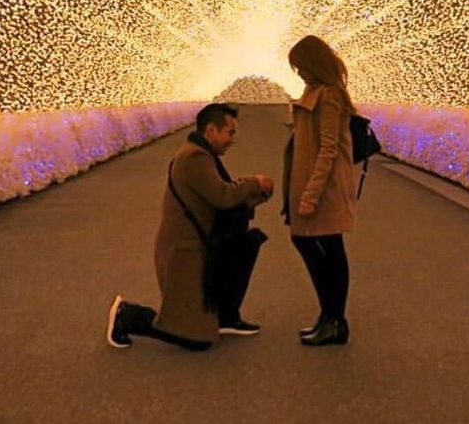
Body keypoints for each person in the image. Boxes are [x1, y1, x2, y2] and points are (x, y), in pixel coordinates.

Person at [106, 103, 274, 351]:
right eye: (229, 132)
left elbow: (218, 199)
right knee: (193, 338)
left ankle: (223, 318)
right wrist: (254, 183)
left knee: (198, 321)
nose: (232, 139)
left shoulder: (202, 154)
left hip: (195, 246)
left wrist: (254, 194)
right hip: (185, 252)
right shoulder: (195, 158)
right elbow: (222, 196)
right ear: (210, 131)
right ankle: (128, 316)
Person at [283, 35, 356, 346]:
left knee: (322, 246)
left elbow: (328, 150)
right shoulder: (313, 92)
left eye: (300, 66)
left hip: (324, 187)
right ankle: (330, 318)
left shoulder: (328, 96)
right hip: (312, 183)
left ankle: (334, 319)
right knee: (324, 247)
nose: (298, 72)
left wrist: (311, 194)